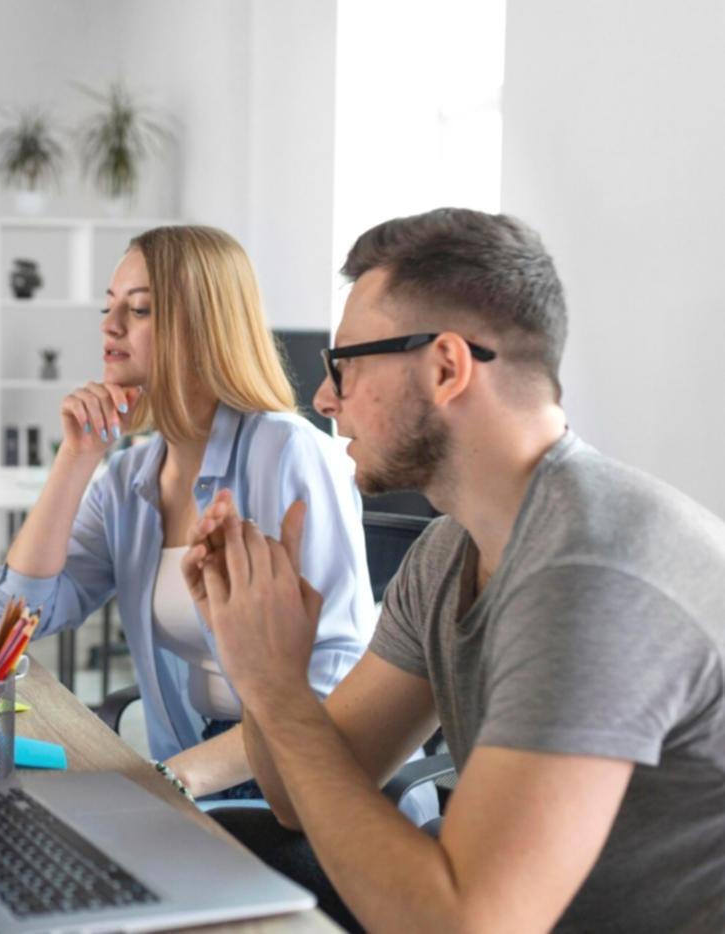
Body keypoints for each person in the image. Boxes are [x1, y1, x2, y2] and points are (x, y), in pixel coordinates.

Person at [185, 208, 725, 931]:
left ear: (445, 367)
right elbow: (295, 801)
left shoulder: (594, 574)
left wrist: (281, 690)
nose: (324, 399)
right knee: (222, 850)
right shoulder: (449, 552)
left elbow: (468, 926)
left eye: (346, 366)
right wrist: (257, 660)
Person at [0, 225, 422, 810]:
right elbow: (16, 621)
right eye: (108, 307)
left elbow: (337, 678)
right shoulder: (128, 477)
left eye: (139, 309)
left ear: (202, 328)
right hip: (200, 772)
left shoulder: (286, 453)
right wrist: (77, 458)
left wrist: (175, 778)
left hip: (305, 775)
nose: (111, 326)